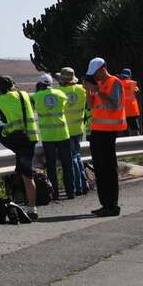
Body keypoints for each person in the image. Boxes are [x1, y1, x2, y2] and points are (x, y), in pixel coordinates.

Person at [0, 76, 40, 220]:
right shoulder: (25, 95)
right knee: (25, 172)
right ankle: (31, 208)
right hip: (31, 138)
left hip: (15, 139)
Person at [85, 57, 127, 217]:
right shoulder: (99, 85)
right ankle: (105, 204)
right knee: (100, 169)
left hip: (108, 132)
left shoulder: (114, 82)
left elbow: (113, 105)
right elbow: (91, 106)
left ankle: (112, 205)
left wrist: (96, 90)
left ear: (103, 69)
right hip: (97, 131)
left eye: (95, 73)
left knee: (109, 169)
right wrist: (89, 91)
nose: (93, 77)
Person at [32, 74, 75, 199]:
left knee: (51, 166)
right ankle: (70, 192)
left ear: (40, 84)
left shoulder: (36, 96)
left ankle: (54, 193)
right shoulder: (60, 94)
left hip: (48, 136)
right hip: (63, 133)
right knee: (67, 164)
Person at [57, 67, 90, 195]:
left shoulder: (58, 91)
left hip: (65, 130)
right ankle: (84, 183)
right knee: (77, 155)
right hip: (79, 128)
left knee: (73, 158)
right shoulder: (82, 89)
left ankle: (79, 186)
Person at [119, 68, 141, 136]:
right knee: (135, 130)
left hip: (122, 111)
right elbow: (138, 93)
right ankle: (139, 143)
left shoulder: (118, 84)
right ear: (129, 76)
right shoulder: (133, 84)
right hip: (132, 111)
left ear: (122, 75)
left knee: (124, 131)